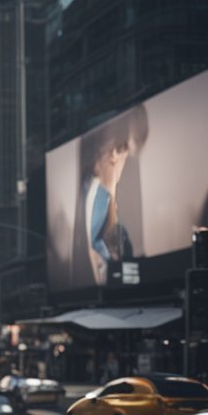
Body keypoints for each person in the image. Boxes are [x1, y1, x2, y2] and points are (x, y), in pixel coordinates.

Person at [73, 106, 149, 287]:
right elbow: (96, 245)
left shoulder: (98, 195)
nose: (128, 160)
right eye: (127, 151)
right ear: (114, 151)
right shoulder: (99, 197)